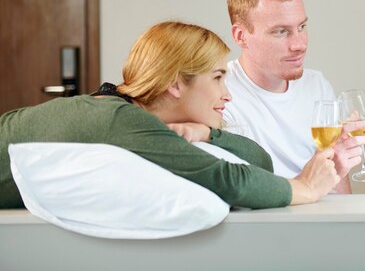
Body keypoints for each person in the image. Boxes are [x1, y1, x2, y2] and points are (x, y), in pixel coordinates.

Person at [0, 21, 339, 209]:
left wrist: (208, 133)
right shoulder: (123, 121)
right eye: (218, 78)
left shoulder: (127, 110)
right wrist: (305, 187)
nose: (227, 93)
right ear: (176, 84)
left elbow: (259, 162)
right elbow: (227, 180)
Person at [222, 0, 365, 193]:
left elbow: (340, 197)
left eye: (301, 26)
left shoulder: (317, 86)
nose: (299, 44)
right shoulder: (220, 95)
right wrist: (311, 178)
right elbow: (244, 200)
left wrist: (336, 165)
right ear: (241, 36)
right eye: (281, 31)